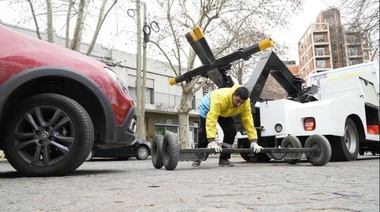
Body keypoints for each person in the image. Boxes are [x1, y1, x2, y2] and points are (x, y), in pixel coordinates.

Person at [192, 84, 263, 167]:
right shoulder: (220, 98)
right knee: (204, 133)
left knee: (231, 131)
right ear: (233, 95)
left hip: (225, 111)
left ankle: (224, 158)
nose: (239, 104)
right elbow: (212, 119)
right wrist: (212, 140)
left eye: (242, 102)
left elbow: (248, 121)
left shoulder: (245, 103)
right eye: (238, 101)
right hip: (208, 107)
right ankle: (199, 157)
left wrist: (253, 141)